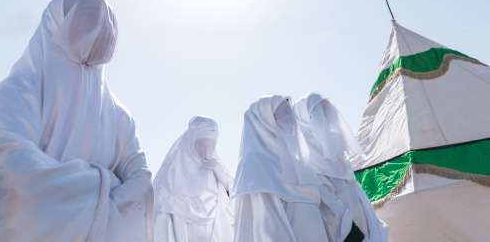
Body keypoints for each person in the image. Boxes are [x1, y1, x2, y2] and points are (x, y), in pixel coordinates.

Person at [0, 0, 154, 241]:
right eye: (87, 19)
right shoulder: (16, 94)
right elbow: (7, 170)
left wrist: (89, 200)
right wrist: (107, 190)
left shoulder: (121, 118)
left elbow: (142, 183)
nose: (96, 27)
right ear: (56, 23)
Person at [233, 95, 334, 242]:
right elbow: (265, 229)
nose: (291, 124)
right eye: (282, 118)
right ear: (265, 123)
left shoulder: (297, 163)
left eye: (290, 117)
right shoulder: (255, 164)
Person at [293, 92, 388, 242]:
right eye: (318, 113)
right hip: (345, 235)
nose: (324, 118)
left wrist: (373, 226)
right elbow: (329, 212)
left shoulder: (335, 151)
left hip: (366, 227)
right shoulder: (307, 162)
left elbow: (356, 191)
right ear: (304, 119)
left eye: (326, 111)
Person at [153, 116, 234, 242]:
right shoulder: (169, 176)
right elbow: (160, 220)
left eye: (211, 145)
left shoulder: (217, 171)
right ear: (190, 141)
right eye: (200, 144)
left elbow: (239, 204)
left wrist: (222, 176)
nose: (205, 151)